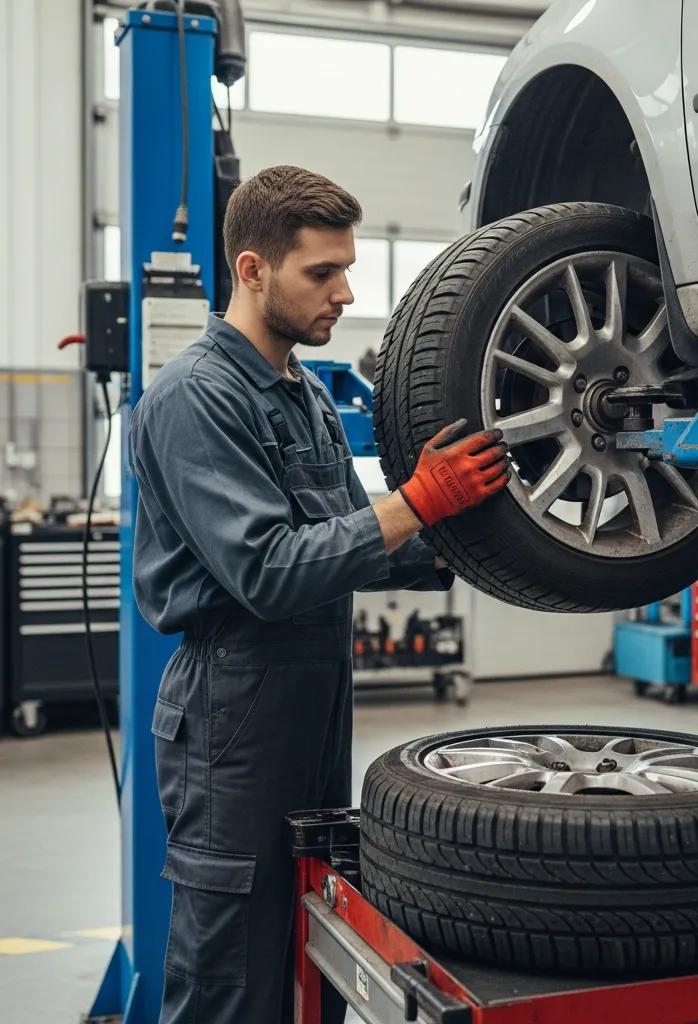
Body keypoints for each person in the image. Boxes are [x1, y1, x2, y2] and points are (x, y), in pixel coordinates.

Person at [130, 164, 510, 1023]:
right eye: (322, 272)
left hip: (308, 701)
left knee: (314, 949)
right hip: (232, 715)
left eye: (347, 268)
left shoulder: (299, 393)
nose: (345, 292)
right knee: (234, 973)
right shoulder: (194, 398)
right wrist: (416, 503)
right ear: (253, 270)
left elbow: (348, 548)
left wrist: (486, 542)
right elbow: (268, 569)